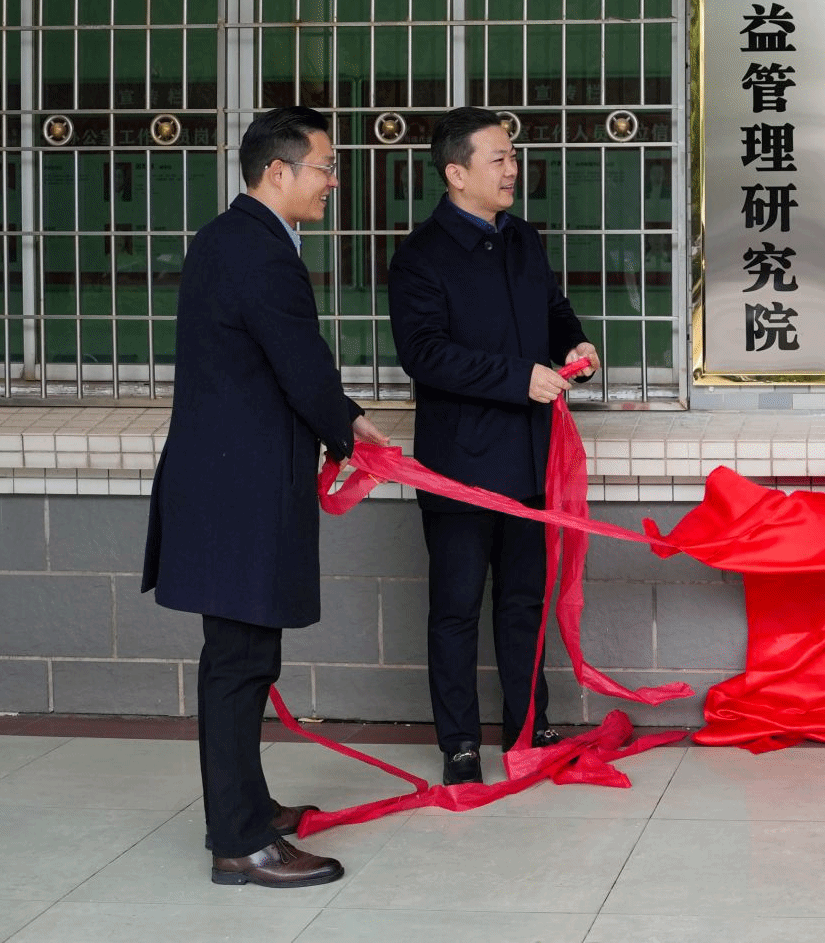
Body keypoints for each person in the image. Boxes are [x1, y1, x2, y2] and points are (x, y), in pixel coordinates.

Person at [143, 105, 392, 888]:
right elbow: (300, 360)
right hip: (238, 491)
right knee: (238, 662)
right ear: (278, 171)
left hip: (227, 481)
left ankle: (247, 806)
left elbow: (274, 359)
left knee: (246, 657)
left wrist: (343, 418)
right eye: (325, 166)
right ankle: (240, 841)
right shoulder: (260, 250)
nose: (333, 181)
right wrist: (348, 428)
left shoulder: (231, 237)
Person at [389, 107, 598, 786]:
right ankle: (459, 743)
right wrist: (517, 377)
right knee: (455, 608)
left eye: (513, 156)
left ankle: (528, 724)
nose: (513, 169)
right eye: (498, 158)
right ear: (456, 173)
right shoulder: (421, 255)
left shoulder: (522, 239)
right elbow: (424, 354)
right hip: (459, 464)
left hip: (530, 456)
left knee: (523, 602)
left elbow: (552, 309)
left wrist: (573, 340)